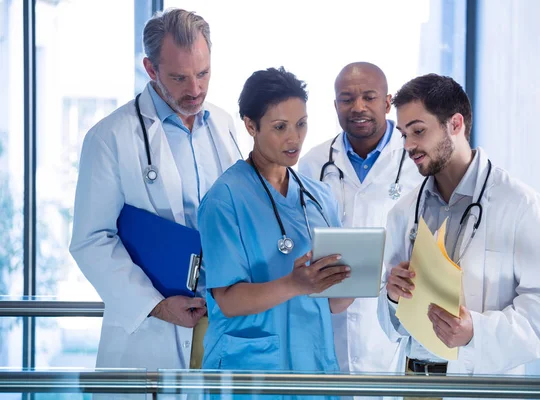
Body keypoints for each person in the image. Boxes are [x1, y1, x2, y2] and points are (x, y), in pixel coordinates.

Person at [377, 74, 540, 399]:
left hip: (478, 384)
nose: (408, 145)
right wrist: (393, 298)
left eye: (419, 131)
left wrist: (474, 334)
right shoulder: (404, 211)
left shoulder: (520, 205)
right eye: (404, 134)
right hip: (415, 383)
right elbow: (391, 326)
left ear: (455, 124)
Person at [69, 8, 241, 371]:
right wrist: (156, 305)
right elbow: (91, 239)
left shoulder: (224, 125)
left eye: (203, 73)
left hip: (220, 318)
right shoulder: (110, 137)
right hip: (151, 331)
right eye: (179, 77)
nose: (195, 90)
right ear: (151, 70)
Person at [198, 67, 354, 385]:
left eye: (301, 124)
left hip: (313, 367)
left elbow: (336, 303)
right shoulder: (224, 199)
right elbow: (227, 299)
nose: (294, 138)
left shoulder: (320, 197)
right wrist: (295, 284)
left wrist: (362, 277)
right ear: (250, 125)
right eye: (280, 127)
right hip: (249, 372)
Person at [298, 62, 421, 389]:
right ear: (335, 105)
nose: (358, 107)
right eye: (346, 99)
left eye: (369, 97)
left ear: (387, 102)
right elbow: (298, 235)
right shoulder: (313, 162)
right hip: (328, 315)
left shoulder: (414, 159)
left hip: (393, 314)